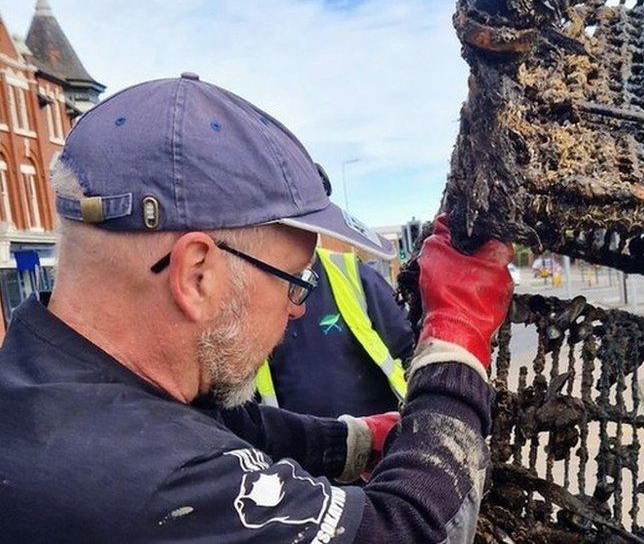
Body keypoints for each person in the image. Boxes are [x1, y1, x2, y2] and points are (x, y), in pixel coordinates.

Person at [0, 74, 513, 543]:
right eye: (295, 281)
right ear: (197, 274)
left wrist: (351, 442)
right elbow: (413, 534)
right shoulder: (152, 479)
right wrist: (457, 334)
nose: (296, 310)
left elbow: (217, 423)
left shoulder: (42, 376)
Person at [258, 242, 414, 418]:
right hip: (296, 441)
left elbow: (410, 348)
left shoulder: (351, 274)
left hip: (380, 436)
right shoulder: (252, 290)